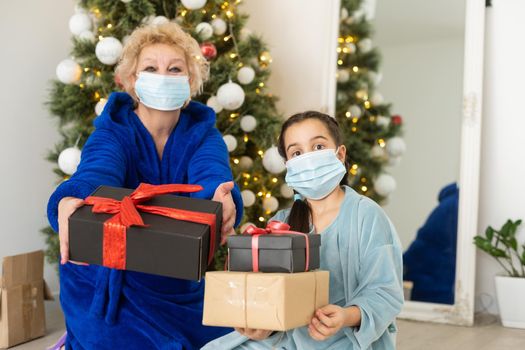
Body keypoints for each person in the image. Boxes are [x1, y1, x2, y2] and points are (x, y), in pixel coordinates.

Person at [46, 22, 243, 349]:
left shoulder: (204, 134)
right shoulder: (113, 131)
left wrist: (223, 199)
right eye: (151, 68)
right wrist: (73, 198)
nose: (164, 76)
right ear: (133, 81)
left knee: (232, 339)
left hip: (173, 278)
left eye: (175, 68)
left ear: (190, 81)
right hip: (106, 278)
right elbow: (96, 172)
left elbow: (212, 175)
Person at [202, 111, 404, 350]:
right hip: (286, 336)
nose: (308, 158)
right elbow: (269, 292)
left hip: (345, 337)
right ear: (289, 165)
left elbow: (384, 292)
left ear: (340, 155)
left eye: (318, 146)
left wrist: (345, 316)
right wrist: (260, 323)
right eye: (297, 152)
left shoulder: (366, 216)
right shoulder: (281, 222)